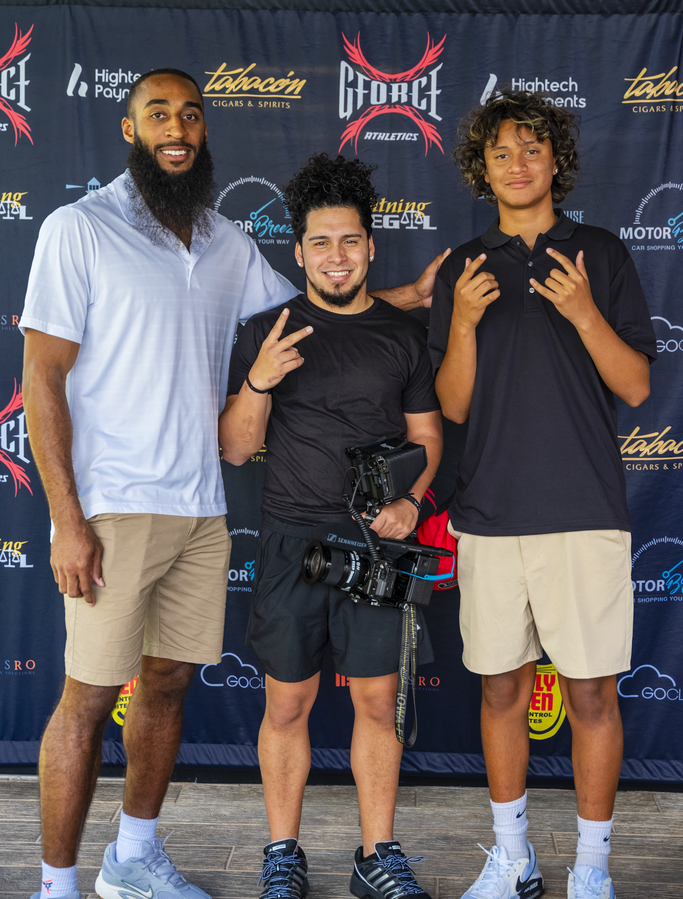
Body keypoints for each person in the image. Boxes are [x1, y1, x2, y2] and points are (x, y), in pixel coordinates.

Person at [19, 69, 448, 899]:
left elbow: (320, 318)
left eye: (189, 115)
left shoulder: (225, 241)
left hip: (202, 509)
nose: (175, 129)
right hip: (114, 507)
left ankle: (132, 859)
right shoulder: (80, 227)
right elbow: (41, 376)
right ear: (129, 129)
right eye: (157, 114)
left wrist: (402, 299)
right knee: (87, 698)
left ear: (204, 130)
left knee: (168, 683)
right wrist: (66, 518)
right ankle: (55, 885)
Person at [428, 90, 656, 899]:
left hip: (582, 511)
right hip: (490, 514)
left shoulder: (599, 252)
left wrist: (584, 312)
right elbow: (452, 407)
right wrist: (460, 321)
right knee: (500, 688)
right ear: (480, 168)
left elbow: (635, 386)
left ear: (555, 159)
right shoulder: (461, 266)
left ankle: (591, 868)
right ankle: (511, 857)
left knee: (591, 692)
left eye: (531, 148)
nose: (517, 164)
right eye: (500, 152)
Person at [219, 153, 443, 899]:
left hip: (378, 546)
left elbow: (427, 436)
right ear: (299, 250)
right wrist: (259, 380)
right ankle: (282, 852)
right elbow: (236, 448)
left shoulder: (403, 336)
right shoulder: (266, 332)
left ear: (371, 247)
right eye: (320, 242)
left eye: (349, 240)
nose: (336, 256)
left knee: (377, 702)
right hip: (290, 541)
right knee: (287, 704)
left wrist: (413, 504)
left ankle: (377, 854)